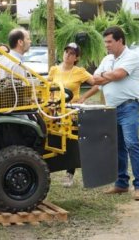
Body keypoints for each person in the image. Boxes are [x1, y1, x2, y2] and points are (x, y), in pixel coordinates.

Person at [91, 26, 139, 201]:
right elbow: (94, 78)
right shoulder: (107, 58)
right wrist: (109, 75)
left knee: (131, 144)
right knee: (117, 147)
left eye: (109, 42)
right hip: (111, 108)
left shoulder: (132, 57)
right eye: (105, 42)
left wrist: (106, 76)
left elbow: (119, 74)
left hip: (128, 107)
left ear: (120, 40)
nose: (106, 45)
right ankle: (121, 184)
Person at [48, 42, 95, 187]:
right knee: (52, 139)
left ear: (76, 57)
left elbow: (96, 84)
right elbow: (48, 86)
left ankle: (69, 174)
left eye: (72, 53)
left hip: (71, 111)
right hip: (54, 111)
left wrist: (83, 97)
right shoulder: (54, 69)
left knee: (72, 142)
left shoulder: (79, 71)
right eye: (67, 52)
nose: (68, 55)